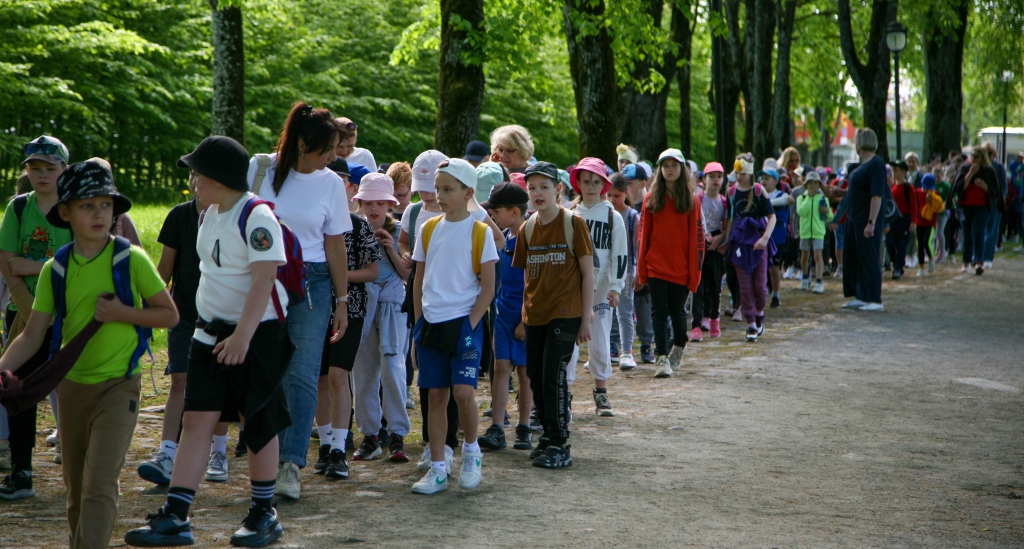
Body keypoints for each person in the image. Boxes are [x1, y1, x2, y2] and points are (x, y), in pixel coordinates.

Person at [0, 160, 177, 547]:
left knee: (99, 484)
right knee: (77, 490)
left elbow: (169, 314)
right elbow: (32, 335)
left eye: (106, 205)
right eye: (86, 206)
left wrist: (121, 313)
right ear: (65, 212)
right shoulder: (56, 268)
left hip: (120, 387)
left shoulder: (130, 260)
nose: (99, 214)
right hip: (72, 390)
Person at [126, 136, 292, 548]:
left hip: (257, 334)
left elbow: (264, 278)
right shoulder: (206, 214)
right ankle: (176, 516)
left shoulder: (256, 216)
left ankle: (262, 512)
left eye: (197, 173)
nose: (192, 180)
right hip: (209, 332)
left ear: (217, 178)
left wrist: (243, 336)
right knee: (196, 419)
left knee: (258, 422)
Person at [248, 102, 353, 501]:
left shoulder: (330, 183)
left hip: (314, 283)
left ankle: (291, 464)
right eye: (328, 150)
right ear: (305, 143)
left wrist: (342, 299)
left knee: (304, 373)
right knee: (264, 370)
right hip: (264, 278)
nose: (334, 157)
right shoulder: (261, 172)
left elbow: (335, 243)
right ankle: (262, 457)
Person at [398, 150, 504, 473]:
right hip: (430, 324)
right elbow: (418, 282)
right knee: (435, 396)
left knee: (463, 392)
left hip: (465, 324)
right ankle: (439, 466)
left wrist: (469, 325)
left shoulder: (480, 232)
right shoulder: (427, 229)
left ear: (468, 194)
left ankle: (471, 452)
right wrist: (417, 327)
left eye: (448, 190)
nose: (440, 196)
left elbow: (488, 288)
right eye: (438, 188)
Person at [0, 136, 73, 499]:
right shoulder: (17, 208)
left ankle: (80, 464)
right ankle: (21, 470)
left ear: (64, 170)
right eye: (34, 168)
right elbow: (7, 262)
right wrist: (28, 306)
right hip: (22, 315)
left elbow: (78, 261)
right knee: (19, 391)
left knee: (75, 388)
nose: (41, 175)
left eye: (50, 168)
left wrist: (34, 264)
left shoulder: (75, 208)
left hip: (70, 314)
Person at [138, 171, 222, 487]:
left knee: (218, 385)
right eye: (193, 176)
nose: (197, 181)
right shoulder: (178, 216)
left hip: (222, 315)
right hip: (184, 315)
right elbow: (164, 270)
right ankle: (167, 453)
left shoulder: (234, 218)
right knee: (179, 381)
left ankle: (219, 452)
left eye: (204, 175)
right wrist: (145, 310)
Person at [513, 161, 594, 468]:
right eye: (532, 188)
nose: (537, 193)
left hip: (566, 312)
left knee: (553, 376)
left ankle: (560, 444)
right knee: (534, 375)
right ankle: (547, 435)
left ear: (558, 190)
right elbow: (527, 278)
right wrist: (523, 314)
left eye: (544, 187)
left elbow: (588, 274)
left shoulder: (574, 223)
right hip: (535, 315)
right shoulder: (528, 228)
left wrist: (585, 319)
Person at [315, 188, 381, 478]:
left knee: (339, 376)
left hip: (351, 310)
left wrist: (338, 276)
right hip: (312, 311)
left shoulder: (358, 225)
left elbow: (372, 271)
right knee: (319, 380)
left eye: (343, 183)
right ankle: (325, 445)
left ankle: (340, 448)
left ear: (351, 191)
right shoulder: (310, 224)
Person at [352, 174, 413, 465]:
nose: (374, 208)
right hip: (363, 305)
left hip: (392, 304)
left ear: (390, 204)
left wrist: (391, 248)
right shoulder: (353, 229)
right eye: (368, 202)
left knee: (393, 366)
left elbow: (408, 278)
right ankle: (370, 435)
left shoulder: (399, 230)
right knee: (362, 370)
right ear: (360, 203)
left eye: (380, 203)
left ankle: (397, 433)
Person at [636, 149, 705, 376]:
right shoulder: (651, 198)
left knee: (677, 313)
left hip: (681, 269)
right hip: (656, 266)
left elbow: (697, 241)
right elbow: (643, 235)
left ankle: (680, 344)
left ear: (682, 169)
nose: (669, 169)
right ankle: (661, 357)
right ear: (660, 170)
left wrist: (694, 275)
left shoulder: (691, 201)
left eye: (674, 165)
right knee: (659, 311)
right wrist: (642, 270)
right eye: (665, 166)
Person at [477, 182, 534, 451]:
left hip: (526, 316)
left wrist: (525, 319)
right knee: (501, 367)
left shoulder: (530, 237)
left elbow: (533, 282)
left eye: (495, 211)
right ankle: (497, 426)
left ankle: (524, 427)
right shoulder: (502, 238)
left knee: (524, 372)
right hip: (502, 313)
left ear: (514, 211)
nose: (492, 216)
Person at [567, 158, 626, 414]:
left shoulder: (613, 217)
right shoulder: (570, 214)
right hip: (573, 288)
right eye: (586, 181)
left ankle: (601, 391)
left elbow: (620, 255)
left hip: (601, 288)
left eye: (596, 182)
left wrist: (615, 287)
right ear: (578, 184)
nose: (591, 186)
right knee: (569, 341)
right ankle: (565, 393)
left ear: (604, 184)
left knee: (600, 338)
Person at [724, 154, 777, 341]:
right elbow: (730, 218)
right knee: (744, 286)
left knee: (760, 286)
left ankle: (760, 312)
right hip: (739, 243)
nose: (739, 177)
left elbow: (772, 217)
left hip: (757, 241)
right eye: (736, 173)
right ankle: (751, 324)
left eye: (742, 173)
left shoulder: (759, 191)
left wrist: (765, 238)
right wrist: (726, 239)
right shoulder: (731, 192)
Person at [841, 128, 886, 312]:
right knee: (854, 257)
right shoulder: (859, 166)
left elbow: (877, 195)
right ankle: (860, 294)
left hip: (866, 219)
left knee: (869, 257)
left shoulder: (876, 164)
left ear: (860, 143)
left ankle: (874, 298)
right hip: (854, 218)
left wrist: (871, 222)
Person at [621, 163, 654, 363]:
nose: (627, 187)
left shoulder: (650, 205)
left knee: (644, 306)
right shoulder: (620, 207)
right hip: (625, 265)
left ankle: (646, 344)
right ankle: (618, 344)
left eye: (630, 183)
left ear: (643, 183)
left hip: (646, 264)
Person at [607, 175, 640, 369]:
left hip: (625, 268)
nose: (612, 200)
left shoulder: (632, 217)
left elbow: (636, 247)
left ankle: (627, 352)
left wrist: (636, 272)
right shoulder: (605, 213)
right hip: (605, 268)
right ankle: (603, 349)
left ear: (626, 194)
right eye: (609, 195)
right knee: (602, 310)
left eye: (616, 195)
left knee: (624, 311)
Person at [692, 162, 728, 341]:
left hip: (716, 244)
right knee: (698, 285)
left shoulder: (723, 201)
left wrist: (720, 239)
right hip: (700, 242)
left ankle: (714, 319)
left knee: (715, 285)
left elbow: (727, 226)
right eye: (711, 176)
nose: (715, 180)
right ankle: (696, 325)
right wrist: (702, 235)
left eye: (719, 177)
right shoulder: (698, 199)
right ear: (704, 179)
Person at [956, 146, 999, 275]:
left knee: (978, 232)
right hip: (965, 206)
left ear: (982, 158)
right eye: (972, 156)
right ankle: (966, 261)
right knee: (967, 233)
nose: (973, 159)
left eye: (977, 157)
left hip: (982, 207)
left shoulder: (989, 171)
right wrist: (970, 174)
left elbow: (995, 192)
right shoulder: (964, 169)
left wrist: (985, 187)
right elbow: (958, 188)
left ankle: (979, 261)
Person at [760, 169, 793, 308]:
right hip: (761, 238)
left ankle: (775, 294)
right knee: (761, 269)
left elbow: (790, 200)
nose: (764, 181)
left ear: (775, 181)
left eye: (767, 178)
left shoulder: (781, 194)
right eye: (762, 178)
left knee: (774, 268)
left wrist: (769, 203)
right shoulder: (758, 195)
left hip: (777, 238)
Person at [796, 171, 833, 294]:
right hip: (805, 232)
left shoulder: (823, 199)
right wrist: (808, 199)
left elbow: (830, 217)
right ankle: (805, 277)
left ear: (819, 185)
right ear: (806, 185)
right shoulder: (801, 198)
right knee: (804, 256)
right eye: (810, 183)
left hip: (818, 232)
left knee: (818, 255)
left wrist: (826, 210)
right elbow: (801, 211)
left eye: (815, 183)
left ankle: (818, 281)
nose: (812, 186)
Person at [915, 173, 943, 276]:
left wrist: (932, 200)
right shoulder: (917, 192)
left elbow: (938, 208)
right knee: (920, 245)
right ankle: (921, 267)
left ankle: (931, 259)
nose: (927, 190)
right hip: (919, 222)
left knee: (926, 242)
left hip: (930, 223)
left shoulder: (934, 193)